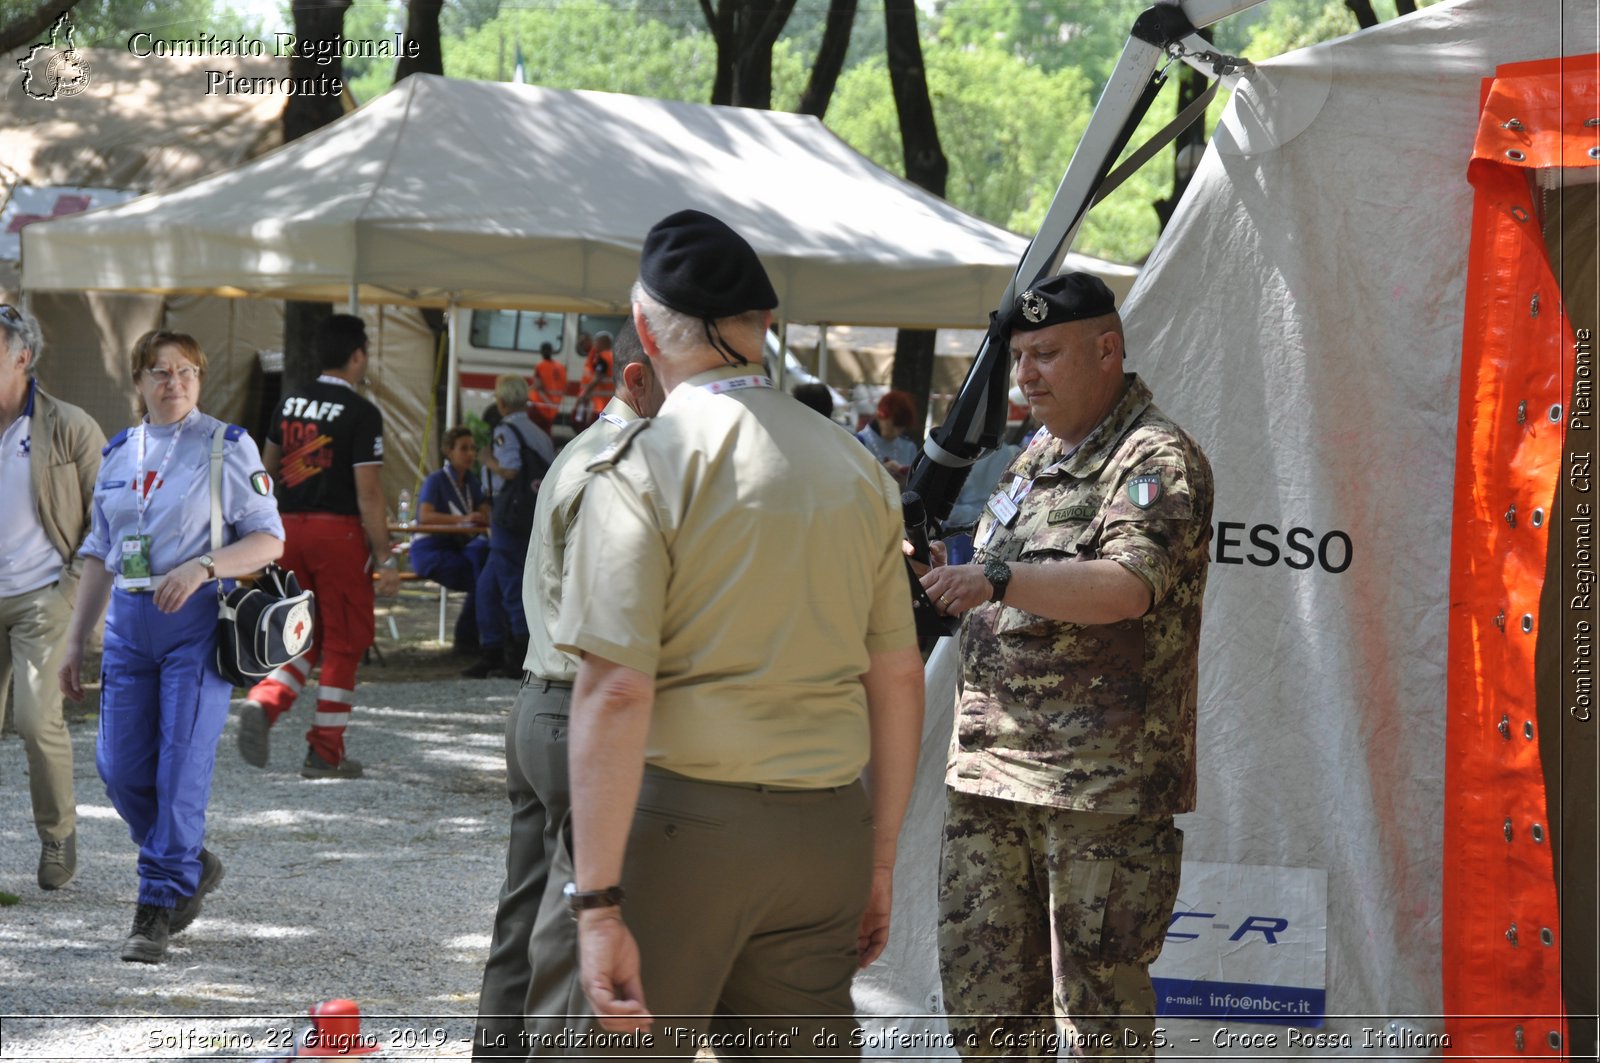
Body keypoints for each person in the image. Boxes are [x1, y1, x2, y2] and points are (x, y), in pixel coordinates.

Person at [541, 209, 925, 1051]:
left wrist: (598, 902)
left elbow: (615, 689)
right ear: (764, 329)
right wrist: (880, 856)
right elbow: (897, 676)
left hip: (685, 830)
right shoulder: (859, 467)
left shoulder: (645, 464)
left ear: (643, 329)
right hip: (825, 830)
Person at [918, 273, 1214, 1059]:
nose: (1028, 377)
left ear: (1107, 348)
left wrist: (998, 578)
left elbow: (1124, 587)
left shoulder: (1154, 458)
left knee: (1097, 1024)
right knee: (989, 1014)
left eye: (1046, 354)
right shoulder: (1037, 455)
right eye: (1020, 359)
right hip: (990, 779)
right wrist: (939, 567)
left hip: (1098, 792)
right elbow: (990, 573)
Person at [58, 329, 284, 963]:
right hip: (131, 625)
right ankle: (189, 860)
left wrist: (205, 567)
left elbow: (269, 541)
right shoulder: (120, 451)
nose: (173, 382)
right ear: (138, 382)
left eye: (186, 371)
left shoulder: (227, 445)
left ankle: (157, 903)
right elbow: (100, 552)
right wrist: (76, 641)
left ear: (199, 380)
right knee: (119, 769)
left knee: (179, 766)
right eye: (159, 372)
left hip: (197, 623)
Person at [471, 320, 665, 1059]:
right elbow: (603, 622)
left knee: (527, 918)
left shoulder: (590, 452)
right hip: (568, 703)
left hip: (544, 699)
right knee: (569, 930)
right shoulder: (617, 463)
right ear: (638, 378)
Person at [237, 313, 400, 780]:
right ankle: (325, 751)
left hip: (287, 530)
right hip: (339, 536)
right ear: (357, 356)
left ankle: (265, 702)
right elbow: (368, 491)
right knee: (345, 642)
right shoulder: (363, 413)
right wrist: (385, 556)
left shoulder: (287, 404)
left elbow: (264, 474)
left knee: (299, 632)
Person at [0, 304, 104, 891]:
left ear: (23, 358)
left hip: (44, 593)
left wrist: (73, 583)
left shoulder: (70, 425)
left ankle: (58, 836)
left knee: (36, 721)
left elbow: (108, 515)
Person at [463, 375, 553, 679]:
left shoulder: (505, 431)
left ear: (500, 402)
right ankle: (491, 647)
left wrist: (488, 461)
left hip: (508, 516)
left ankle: (517, 655)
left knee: (511, 582)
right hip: (530, 515)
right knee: (488, 583)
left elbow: (510, 469)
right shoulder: (539, 433)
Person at [409, 426, 491, 653]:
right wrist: (463, 519)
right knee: (482, 578)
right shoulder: (436, 480)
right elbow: (424, 516)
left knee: (485, 571)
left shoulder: (471, 481)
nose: (470, 454)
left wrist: (482, 511)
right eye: (463, 448)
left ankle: (472, 639)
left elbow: (485, 510)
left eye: (473, 448)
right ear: (449, 451)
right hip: (431, 549)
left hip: (457, 548)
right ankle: (469, 639)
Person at [856, 389, 918, 482]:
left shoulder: (909, 447)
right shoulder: (859, 442)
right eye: (893, 425)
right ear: (880, 416)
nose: (896, 432)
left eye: (901, 428)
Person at [573, 330, 616, 420]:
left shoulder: (602, 357)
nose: (595, 345)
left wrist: (584, 394)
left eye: (596, 342)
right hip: (612, 404)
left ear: (602, 342)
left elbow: (597, 378)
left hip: (600, 405)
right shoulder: (614, 356)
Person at [530, 342, 567, 427]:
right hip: (554, 405)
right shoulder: (560, 367)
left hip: (540, 404)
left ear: (541, 352)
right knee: (547, 429)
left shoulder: (540, 366)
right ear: (552, 351)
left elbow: (538, 386)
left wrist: (526, 391)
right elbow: (564, 386)